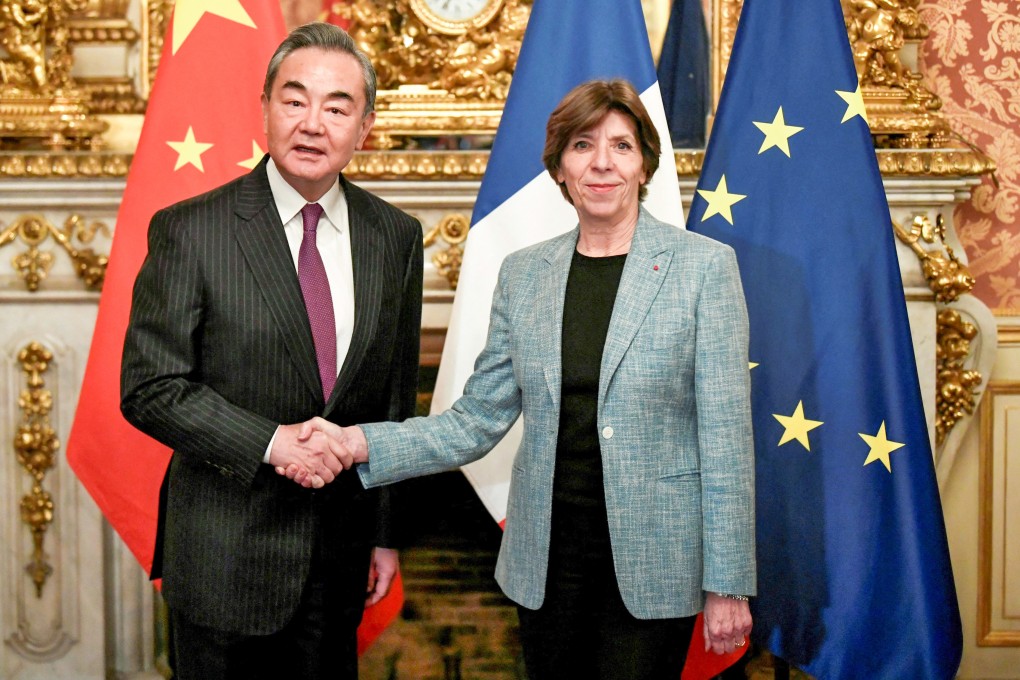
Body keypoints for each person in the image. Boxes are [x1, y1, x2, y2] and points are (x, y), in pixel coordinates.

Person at [289, 79, 755, 679]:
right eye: (583, 146)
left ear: (644, 164)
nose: (603, 164)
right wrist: (356, 443)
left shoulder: (703, 269)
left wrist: (729, 583)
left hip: (656, 562)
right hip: (547, 564)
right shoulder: (525, 275)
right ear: (560, 167)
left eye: (621, 146)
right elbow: (474, 420)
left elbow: (726, 441)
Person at [120, 22, 422, 680]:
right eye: (295, 100)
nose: (314, 122)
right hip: (224, 559)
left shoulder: (395, 237)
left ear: (365, 126)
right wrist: (272, 442)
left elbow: (396, 399)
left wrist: (384, 533)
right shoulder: (191, 230)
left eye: (337, 106)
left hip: (339, 560)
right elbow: (150, 387)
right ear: (264, 108)